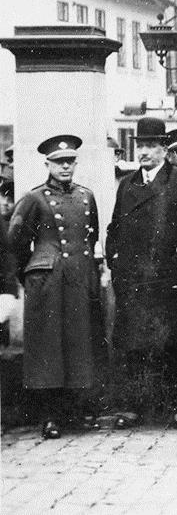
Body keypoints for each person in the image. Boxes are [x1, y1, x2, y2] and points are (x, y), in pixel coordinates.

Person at [107, 117, 177, 431]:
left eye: (151, 145)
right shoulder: (127, 185)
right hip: (134, 279)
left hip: (169, 278)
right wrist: (116, 259)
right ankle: (133, 407)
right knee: (133, 345)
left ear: (164, 149)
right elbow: (115, 227)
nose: (144, 152)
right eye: (140, 145)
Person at [6, 135, 104, 439]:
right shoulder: (35, 198)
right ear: (47, 164)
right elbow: (15, 239)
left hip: (79, 276)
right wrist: (32, 271)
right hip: (48, 281)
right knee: (50, 346)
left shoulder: (86, 196)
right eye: (58, 162)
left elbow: (91, 236)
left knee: (79, 342)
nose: (65, 167)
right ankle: (50, 415)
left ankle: (75, 411)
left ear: (75, 163)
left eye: (69, 162)